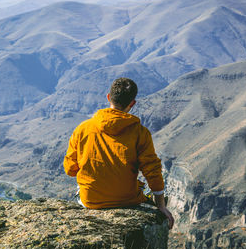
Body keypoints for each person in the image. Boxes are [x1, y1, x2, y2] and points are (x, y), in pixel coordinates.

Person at [63, 77, 174, 229]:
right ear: (132, 104)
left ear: (108, 97)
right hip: (127, 199)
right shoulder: (141, 133)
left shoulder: (83, 129)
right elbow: (152, 171)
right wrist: (161, 206)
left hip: (91, 200)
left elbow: (70, 169)